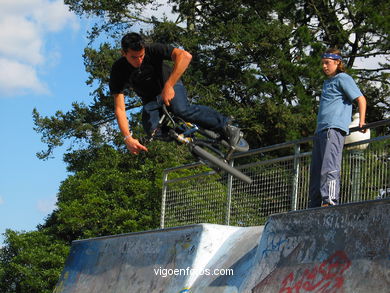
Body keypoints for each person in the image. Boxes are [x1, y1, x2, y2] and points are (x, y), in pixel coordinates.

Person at [109, 32, 242, 155]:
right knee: (152, 131)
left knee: (181, 110)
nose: (139, 61)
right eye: (134, 57)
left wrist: (169, 85)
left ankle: (226, 126)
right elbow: (120, 109)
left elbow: (185, 56)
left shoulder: (153, 49)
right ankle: (184, 134)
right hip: (151, 101)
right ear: (123, 53)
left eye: (141, 56)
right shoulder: (118, 71)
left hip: (171, 85)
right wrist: (127, 138)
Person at [308, 48, 367, 208]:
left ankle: (330, 201)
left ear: (337, 62)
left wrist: (362, 121)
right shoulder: (327, 82)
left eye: (327, 63)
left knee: (330, 166)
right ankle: (313, 205)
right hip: (320, 130)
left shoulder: (343, 78)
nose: (324, 66)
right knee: (316, 171)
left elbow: (361, 99)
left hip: (333, 128)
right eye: (323, 63)